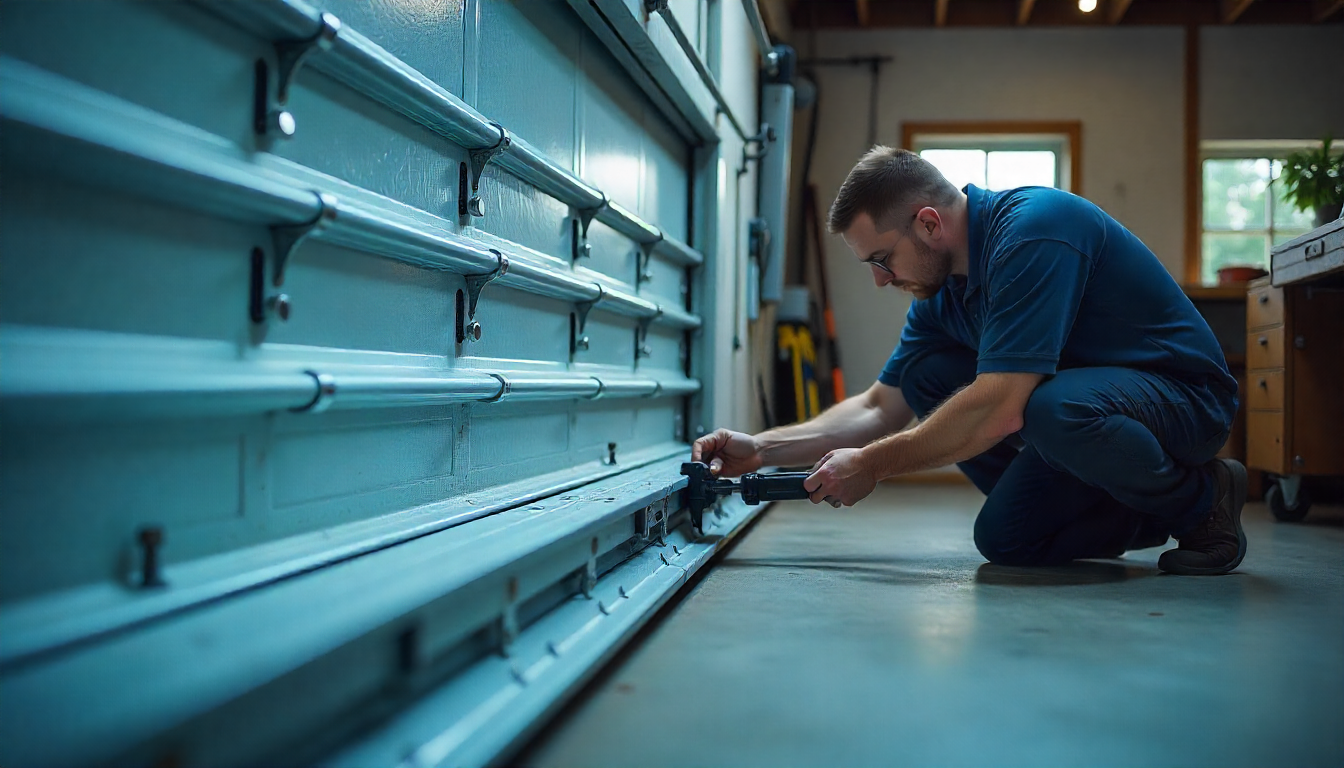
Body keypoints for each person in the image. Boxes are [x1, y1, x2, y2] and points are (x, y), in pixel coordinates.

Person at [694, 146, 1246, 575]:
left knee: (1049, 407)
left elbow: (1002, 408)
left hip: (1184, 402)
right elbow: (879, 408)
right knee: (1006, 536)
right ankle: (1134, 506)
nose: (880, 280)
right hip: (1094, 416)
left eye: (882, 260)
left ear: (929, 224)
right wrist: (762, 450)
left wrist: (871, 465)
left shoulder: (1033, 231)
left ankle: (1203, 502)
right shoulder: (940, 296)